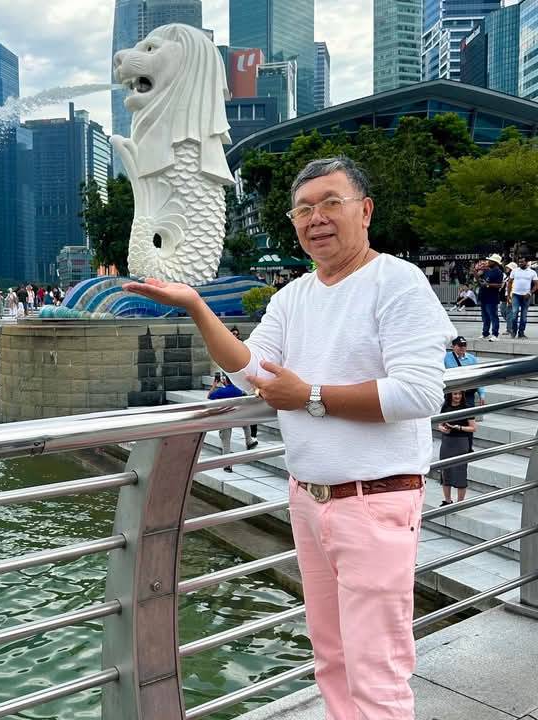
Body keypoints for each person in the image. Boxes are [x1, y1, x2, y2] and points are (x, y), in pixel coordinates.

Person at [124, 156, 455, 719]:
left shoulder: (396, 281)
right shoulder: (293, 296)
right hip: (309, 499)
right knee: (330, 658)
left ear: (365, 211)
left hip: (374, 501)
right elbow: (251, 371)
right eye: (303, 209)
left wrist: (311, 396)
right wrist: (198, 307)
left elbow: (420, 394)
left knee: (376, 670)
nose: (315, 218)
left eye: (330, 203)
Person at [207, 372, 258, 472]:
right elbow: (246, 397)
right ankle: (249, 441)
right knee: (246, 420)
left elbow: (209, 396)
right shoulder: (238, 390)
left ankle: (227, 465)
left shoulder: (220, 391)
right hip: (237, 416)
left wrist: (214, 384)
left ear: (225, 380)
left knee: (226, 442)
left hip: (225, 419)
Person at [437, 391, 475, 505]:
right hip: (447, 442)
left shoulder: (467, 408)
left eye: (459, 394)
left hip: (461, 442)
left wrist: (459, 427)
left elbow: (473, 428)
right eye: (455, 394)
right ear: (450, 395)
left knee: (460, 472)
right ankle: (447, 500)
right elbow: (440, 424)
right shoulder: (445, 407)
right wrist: (442, 428)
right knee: (445, 471)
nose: (457, 396)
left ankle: (460, 503)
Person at [231, 326, 258, 444]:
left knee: (252, 413)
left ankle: (252, 435)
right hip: (235, 383)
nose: (235, 336)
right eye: (233, 334)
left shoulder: (244, 346)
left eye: (236, 334)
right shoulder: (227, 347)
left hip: (247, 384)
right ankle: (249, 437)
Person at [507, 257, 538, 339]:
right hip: (515, 295)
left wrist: (530, 293)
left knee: (523, 316)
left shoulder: (532, 272)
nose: (520, 263)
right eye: (519, 262)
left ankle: (521, 333)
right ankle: (514, 331)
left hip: (526, 296)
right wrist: (508, 295)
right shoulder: (515, 271)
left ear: (526, 262)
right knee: (514, 314)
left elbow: (536, 285)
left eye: (522, 262)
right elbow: (509, 283)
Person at [476, 254, 504, 341]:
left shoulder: (499, 272)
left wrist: (488, 284)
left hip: (492, 297)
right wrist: (475, 273)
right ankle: (485, 333)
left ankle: (495, 335)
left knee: (493, 316)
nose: (488, 262)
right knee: (485, 317)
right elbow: (480, 282)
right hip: (484, 296)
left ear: (495, 262)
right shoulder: (487, 270)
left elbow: (499, 285)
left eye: (490, 261)